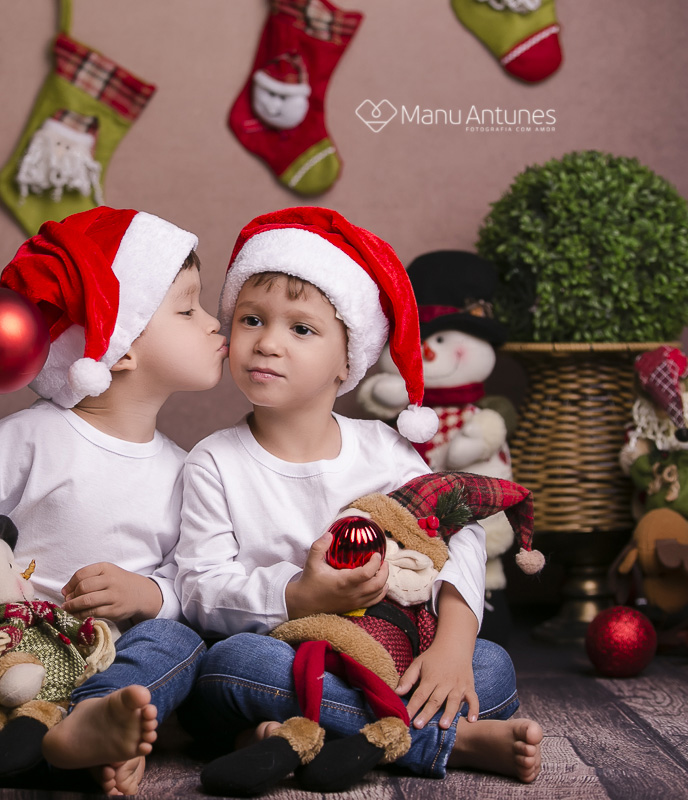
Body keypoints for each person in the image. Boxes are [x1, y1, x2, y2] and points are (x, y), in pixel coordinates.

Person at [174, 207, 543, 792]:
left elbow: (459, 532)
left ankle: (290, 735)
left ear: (350, 358)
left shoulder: (386, 450)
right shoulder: (214, 461)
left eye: (301, 328)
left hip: (394, 646)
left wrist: (451, 641)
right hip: (287, 651)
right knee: (227, 668)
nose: (267, 342)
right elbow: (199, 587)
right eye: (251, 319)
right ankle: (442, 743)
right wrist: (300, 594)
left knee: (489, 668)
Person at [0, 206, 227, 796]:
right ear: (119, 346)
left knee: (176, 644)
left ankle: (83, 721)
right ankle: (51, 741)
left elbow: (195, 580)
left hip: (100, 659)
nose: (215, 323)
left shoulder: (191, 470)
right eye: (188, 309)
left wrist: (148, 593)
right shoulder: (27, 439)